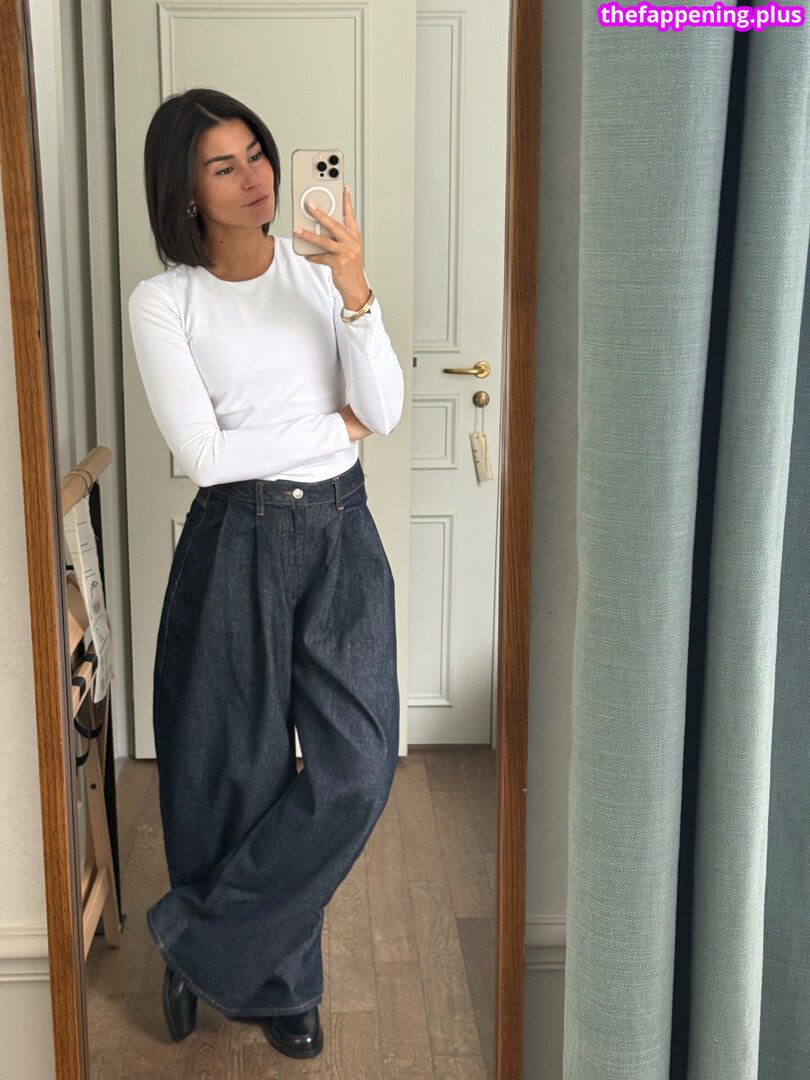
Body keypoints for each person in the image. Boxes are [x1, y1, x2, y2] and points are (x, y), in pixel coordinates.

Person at [128, 87, 403, 1061]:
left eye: (257, 154)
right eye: (224, 165)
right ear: (185, 190)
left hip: (341, 533)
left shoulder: (319, 273)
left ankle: (200, 941)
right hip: (235, 539)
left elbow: (385, 408)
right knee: (230, 770)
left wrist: (357, 289)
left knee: (358, 767)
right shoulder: (165, 302)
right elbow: (204, 457)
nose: (255, 178)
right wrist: (331, 428)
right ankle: (282, 983)